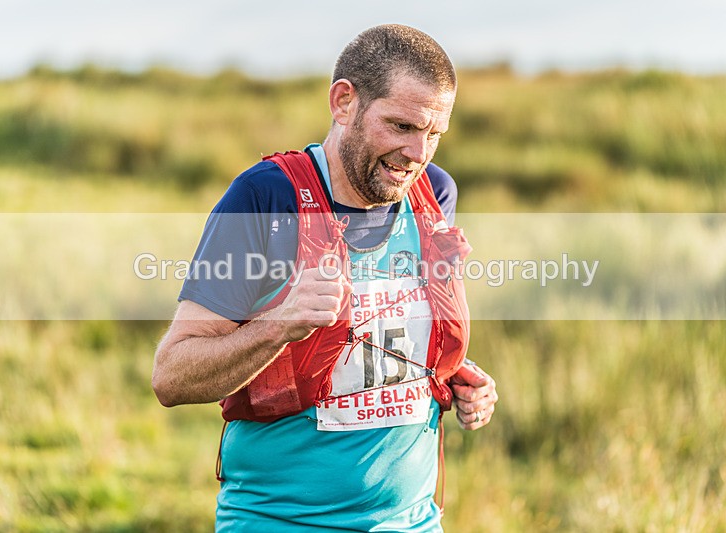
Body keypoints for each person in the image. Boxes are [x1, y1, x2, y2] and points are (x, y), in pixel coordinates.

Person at [152, 24, 498, 532]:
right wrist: (278, 324)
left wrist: (449, 373)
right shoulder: (265, 197)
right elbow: (171, 377)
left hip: (413, 521)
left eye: (435, 133)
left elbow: (381, 334)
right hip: (279, 520)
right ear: (343, 102)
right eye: (401, 126)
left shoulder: (435, 193)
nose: (418, 153)